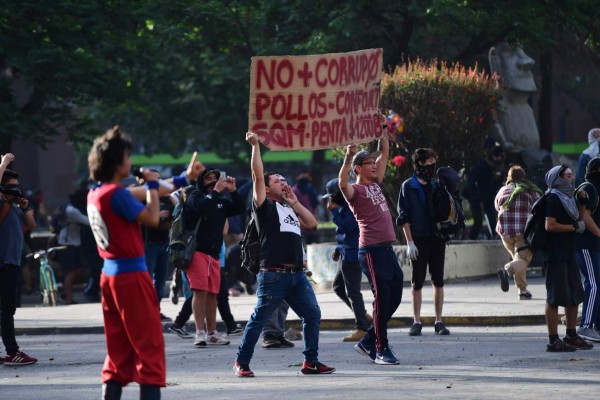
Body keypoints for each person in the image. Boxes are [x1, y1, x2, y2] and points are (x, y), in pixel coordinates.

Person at [234, 131, 335, 377]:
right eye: (277, 180)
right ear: (267, 190)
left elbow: (311, 222)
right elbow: (258, 176)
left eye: (283, 179)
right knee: (259, 320)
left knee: (312, 314)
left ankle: (310, 361)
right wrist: (256, 146)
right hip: (274, 274)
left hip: (297, 275)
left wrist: (293, 201)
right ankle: (241, 362)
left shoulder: (287, 208)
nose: (284, 182)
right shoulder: (264, 207)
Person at [86, 127, 165, 400]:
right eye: (127, 157)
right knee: (149, 348)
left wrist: (180, 179)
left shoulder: (97, 193)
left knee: (117, 350)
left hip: (109, 276)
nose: (130, 162)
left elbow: (133, 195)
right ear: (117, 162)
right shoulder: (116, 194)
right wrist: (153, 185)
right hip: (132, 276)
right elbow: (153, 218)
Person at [339, 132, 404, 365]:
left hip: (386, 250)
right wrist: (349, 156)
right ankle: (380, 348)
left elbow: (385, 152)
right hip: (371, 251)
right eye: (369, 163)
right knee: (382, 299)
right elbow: (341, 183)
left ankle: (369, 340)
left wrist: (383, 132)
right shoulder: (355, 192)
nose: (374, 165)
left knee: (395, 295)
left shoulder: (375, 184)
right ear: (358, 168)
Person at [183, 166, 245, 347]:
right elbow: (202, 207)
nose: (212, 181)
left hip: (215, 254)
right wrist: (216, 191)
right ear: (201, 181)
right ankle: (200, 332)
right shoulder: (195, 196)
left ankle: (212, 333)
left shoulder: (221, 200)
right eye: (208, 178)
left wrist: (233, 191)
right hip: (197, 252)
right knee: (200, 291)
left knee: (213, 294)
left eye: (215, 178)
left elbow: (239, 207)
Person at [397, 148, 450, 337]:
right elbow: (403, 217)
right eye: (429, 161)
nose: (432, 165)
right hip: (418, 239)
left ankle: (439, 321)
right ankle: (416, 321)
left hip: (437, 239)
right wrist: (410, 242)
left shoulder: (437, 185)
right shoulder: (408, 186)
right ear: (419, 163)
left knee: (438, 281)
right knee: (417, 282)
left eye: (433, 161)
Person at [542, 164, 592, 352]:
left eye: (572, 175)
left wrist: (581, 202)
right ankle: (553, 340)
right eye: (567, 176)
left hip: (569, 252)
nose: (571, 179)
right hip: (555, 254)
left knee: (574, 295)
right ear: (558, 179)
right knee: (554, 297)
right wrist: (572, 228)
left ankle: (571, 334)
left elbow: (579, 218)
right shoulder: (554, 198)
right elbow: (550, 225)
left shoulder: (569, 198)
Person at [0, 153, 37, 366]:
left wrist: (25, 207)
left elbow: (31, 225)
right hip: (4, 264)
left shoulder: (14, 206)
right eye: (11, 186)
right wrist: (3, 163)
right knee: (7, 311)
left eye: (17, 186)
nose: (16, 189)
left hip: (12, 263)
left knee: (5, 310)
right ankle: (12, 351)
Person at [323, 177, 371, 342]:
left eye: (331, 197)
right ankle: (363, 316)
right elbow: (345, 234)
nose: (329, 201)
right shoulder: (344, 206)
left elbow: (348, 227)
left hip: (352, 253)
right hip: (346, 250)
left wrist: (334, 212)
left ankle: (362, 327)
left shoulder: (351, 206)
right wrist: (338, 248)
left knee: (353, 292)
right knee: (338, 287)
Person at [495, 165, 543, 299]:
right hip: (522, 233)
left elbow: (497, 206)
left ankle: (522, 291)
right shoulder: (530, 191)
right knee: (523, 259)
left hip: (504, 233)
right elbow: (539, 208)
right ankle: (507, 271)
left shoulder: (502, 190)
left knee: (518, 260)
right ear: (524, 177)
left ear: (509, 177)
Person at [574, 157, 600, 342]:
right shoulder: (589, 187)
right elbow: (586, 218)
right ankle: (585, 326)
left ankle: (596, 325)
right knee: (593, 284)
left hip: (592, 245)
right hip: (585, 244)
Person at [464, 140, 507, 239]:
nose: (498, 159)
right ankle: (471, 241)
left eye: (500, 157)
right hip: (475, 197)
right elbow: (471, 183)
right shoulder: (482, 166)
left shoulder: (499, 168)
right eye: (496, 157)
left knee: (492, 220)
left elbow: (498, 184)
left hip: (489, 197)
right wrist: (477, 196)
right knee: (478, 223)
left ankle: (494, 239)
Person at [57, 188, 91, 304]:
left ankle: (67, 293)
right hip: (67, 243)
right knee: (70, 272)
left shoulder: (70, 207)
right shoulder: (72, 211)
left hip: (73, 242)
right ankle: (69, 298)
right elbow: (88, 221)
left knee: (78, 269)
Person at [144, 194, 175, 321]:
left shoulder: (166, 198)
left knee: (161, 281)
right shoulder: (142, 198)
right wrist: (157, 215)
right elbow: (138, 219)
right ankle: (146, 311)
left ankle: (156, 310)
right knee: (147, 280)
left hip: (164, 243)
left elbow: (177, 206)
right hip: (149, 244)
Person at [292, 172, 320, 244]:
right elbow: (315, 203)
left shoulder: (293, 190)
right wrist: (315, 215)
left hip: (299, 219)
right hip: (310, 216)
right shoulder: (310, 188)